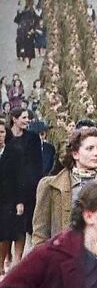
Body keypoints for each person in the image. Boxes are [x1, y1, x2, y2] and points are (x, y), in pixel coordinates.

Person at [6, 108, 43, 255]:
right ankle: (7, 256)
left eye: (28, 117)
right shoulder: (6, 137)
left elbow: (38, 163)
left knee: (24, 223)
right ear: (14, 119)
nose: (27, 120)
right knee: (8, 222)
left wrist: (36, 182)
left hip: (29, 187)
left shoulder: (33, 138)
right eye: (24, 117)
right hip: (9, 186)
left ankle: (21, 257)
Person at [0, 118, 22, 275]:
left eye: (1, 132)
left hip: (7, 198)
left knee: (4, 233)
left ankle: (1, 263)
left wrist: (19, 201)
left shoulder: (13, 152)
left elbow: (19, 178)